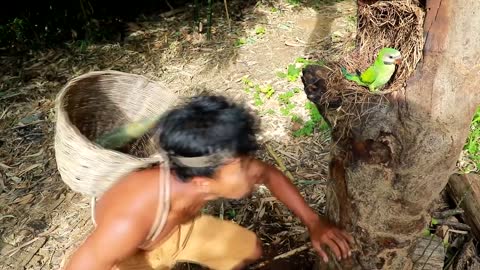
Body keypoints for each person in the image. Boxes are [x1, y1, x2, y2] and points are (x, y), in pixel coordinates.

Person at [64, 95, 353, 270]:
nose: (253, 170)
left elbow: (269, 175)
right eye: (242, 166)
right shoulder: (128, 220)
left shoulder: (198, 177)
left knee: (247, 250)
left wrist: (313, 221)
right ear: (203, 182)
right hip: (130, 255)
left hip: (176, 230)